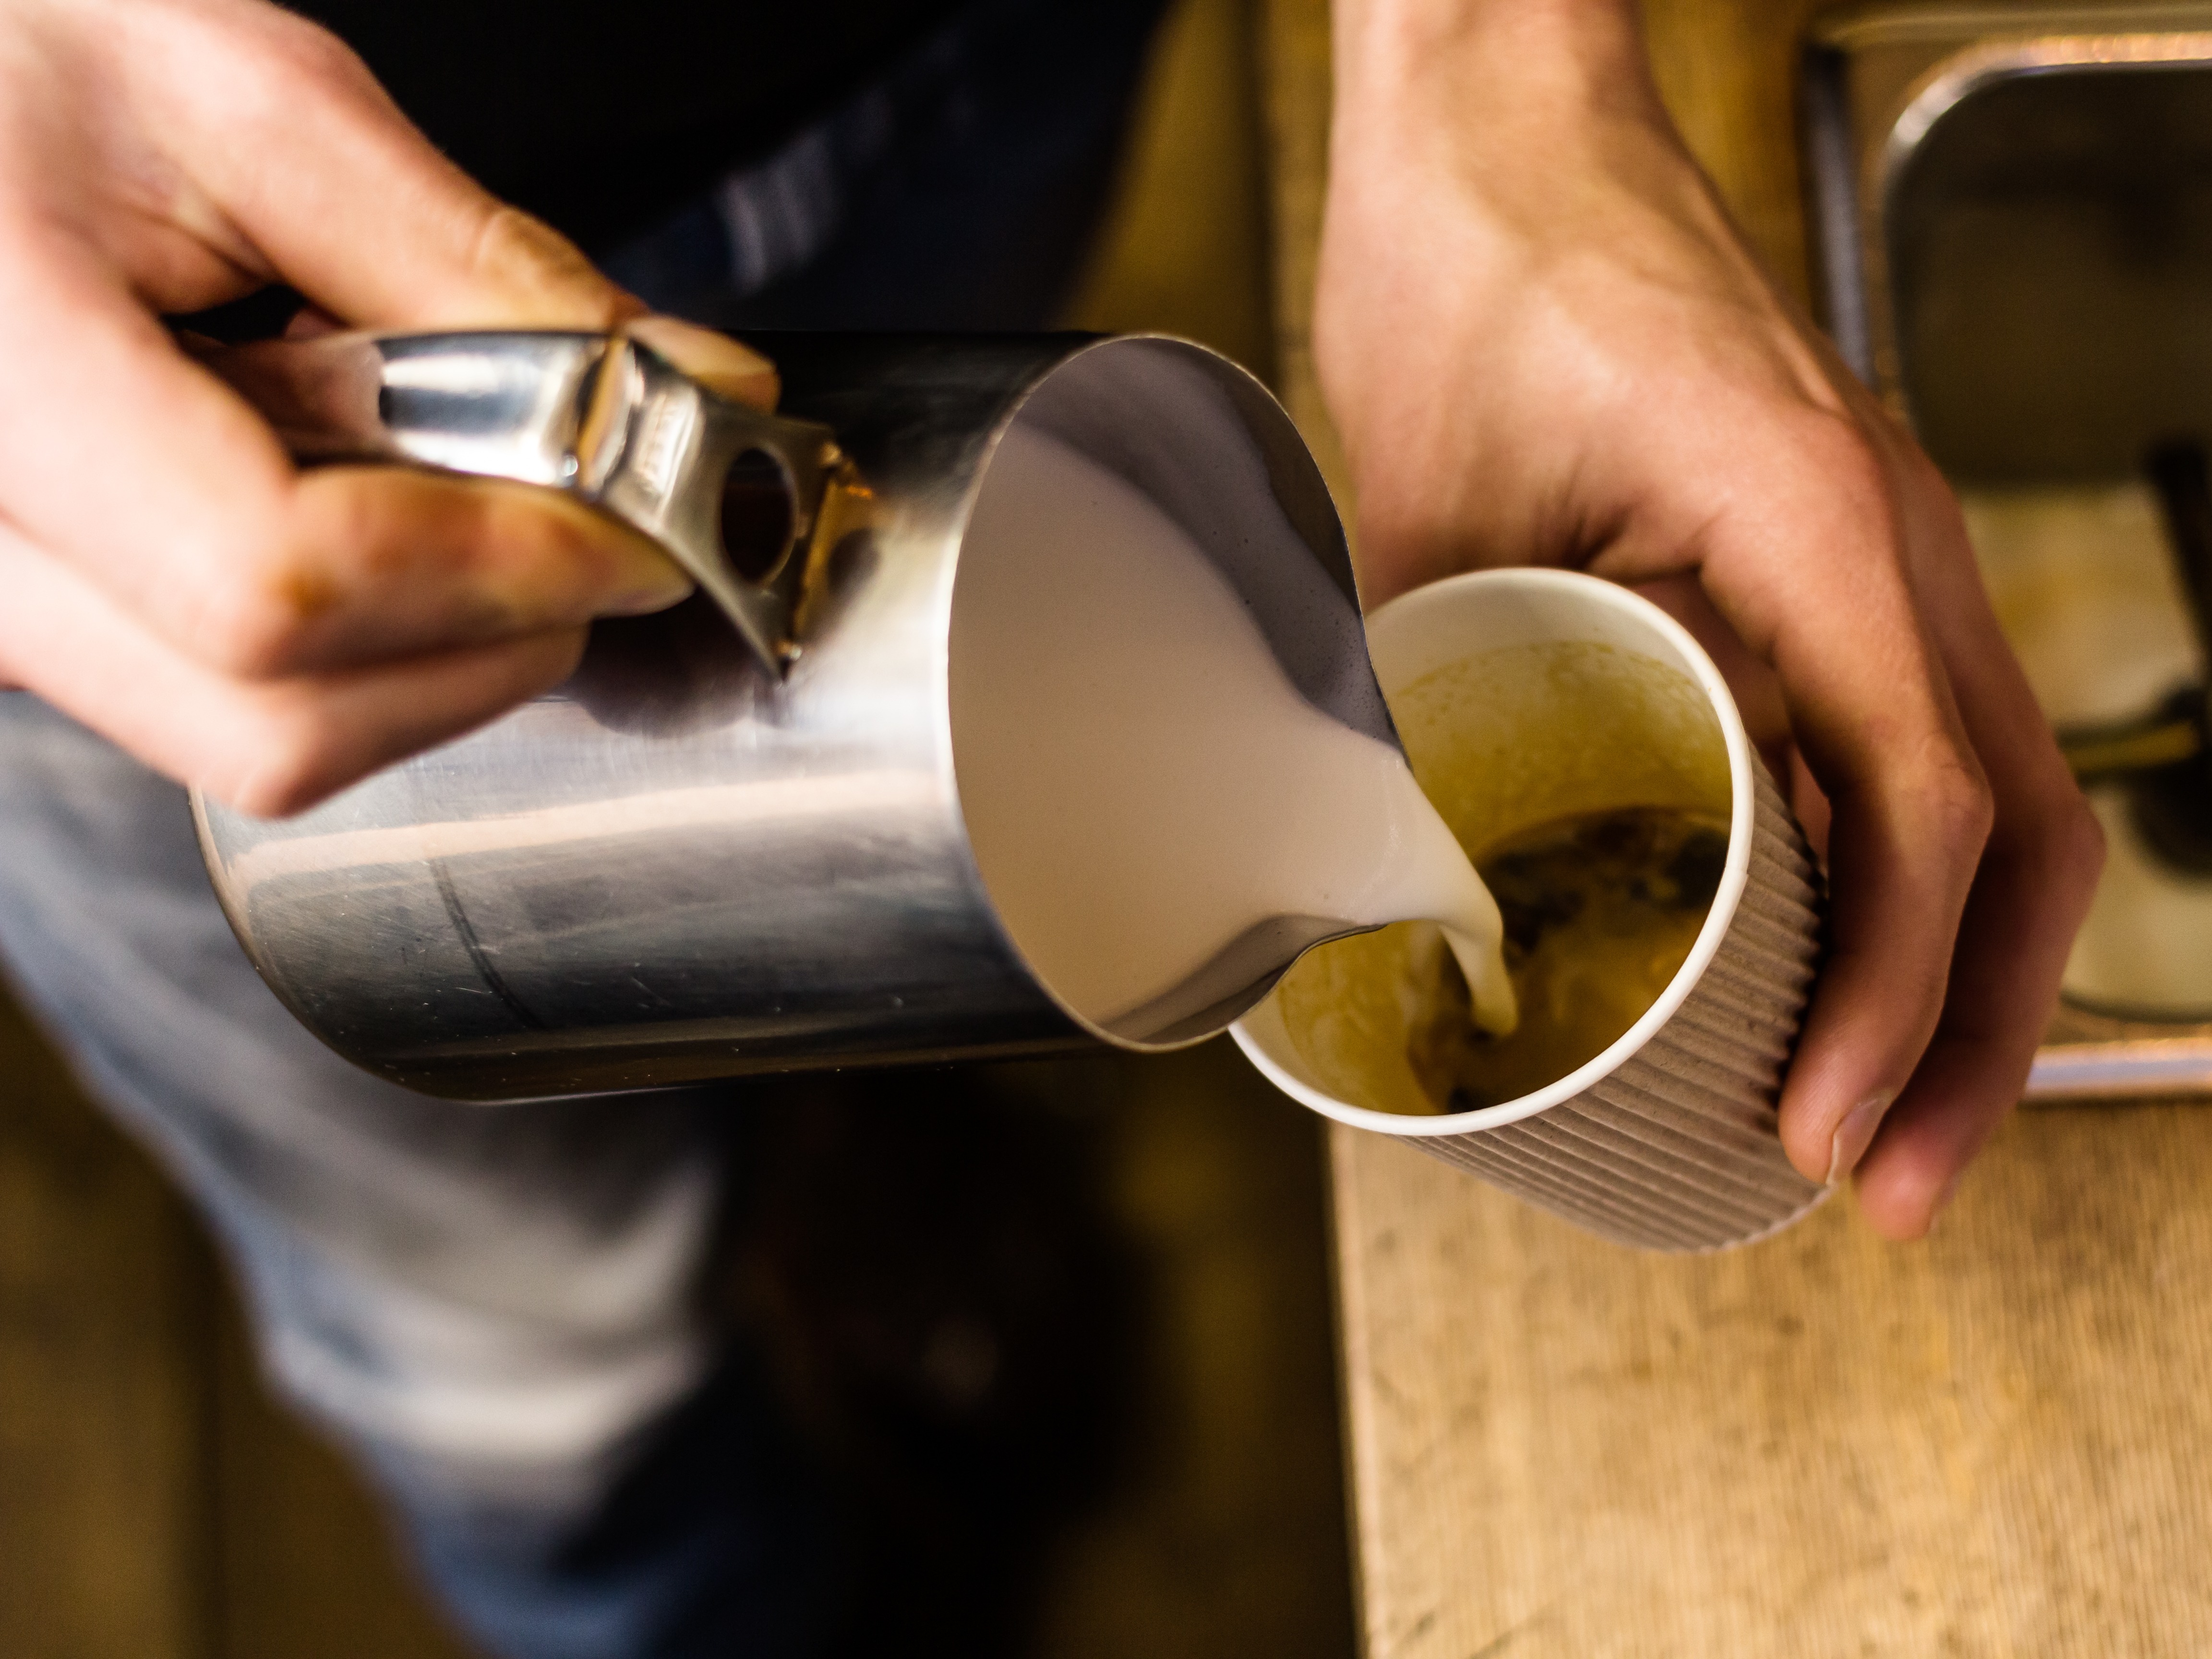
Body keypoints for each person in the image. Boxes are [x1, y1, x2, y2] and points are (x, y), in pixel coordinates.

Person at [0, 0, 2101, 1652]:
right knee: (520, 1329)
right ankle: (689, 1611)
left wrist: (1496, 65)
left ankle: (853, 1135)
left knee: (917, 928)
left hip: (944, 62)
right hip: (136, 377)